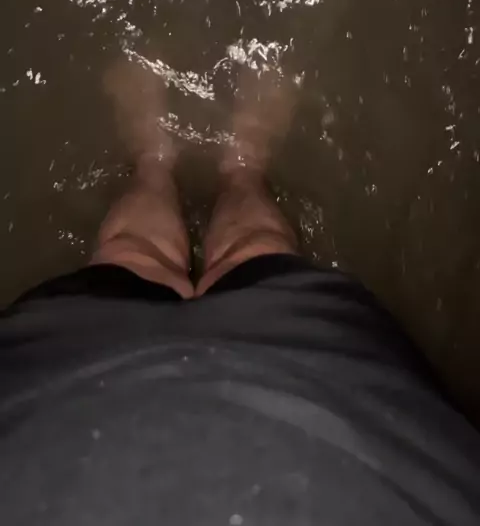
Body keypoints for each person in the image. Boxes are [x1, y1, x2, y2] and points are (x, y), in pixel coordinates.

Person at [1, 58, 479, 526]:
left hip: (50, 418)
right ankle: (241, 164)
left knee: (133, 257)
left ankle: (155, 159)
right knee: (250, 252)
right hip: (338, 419)